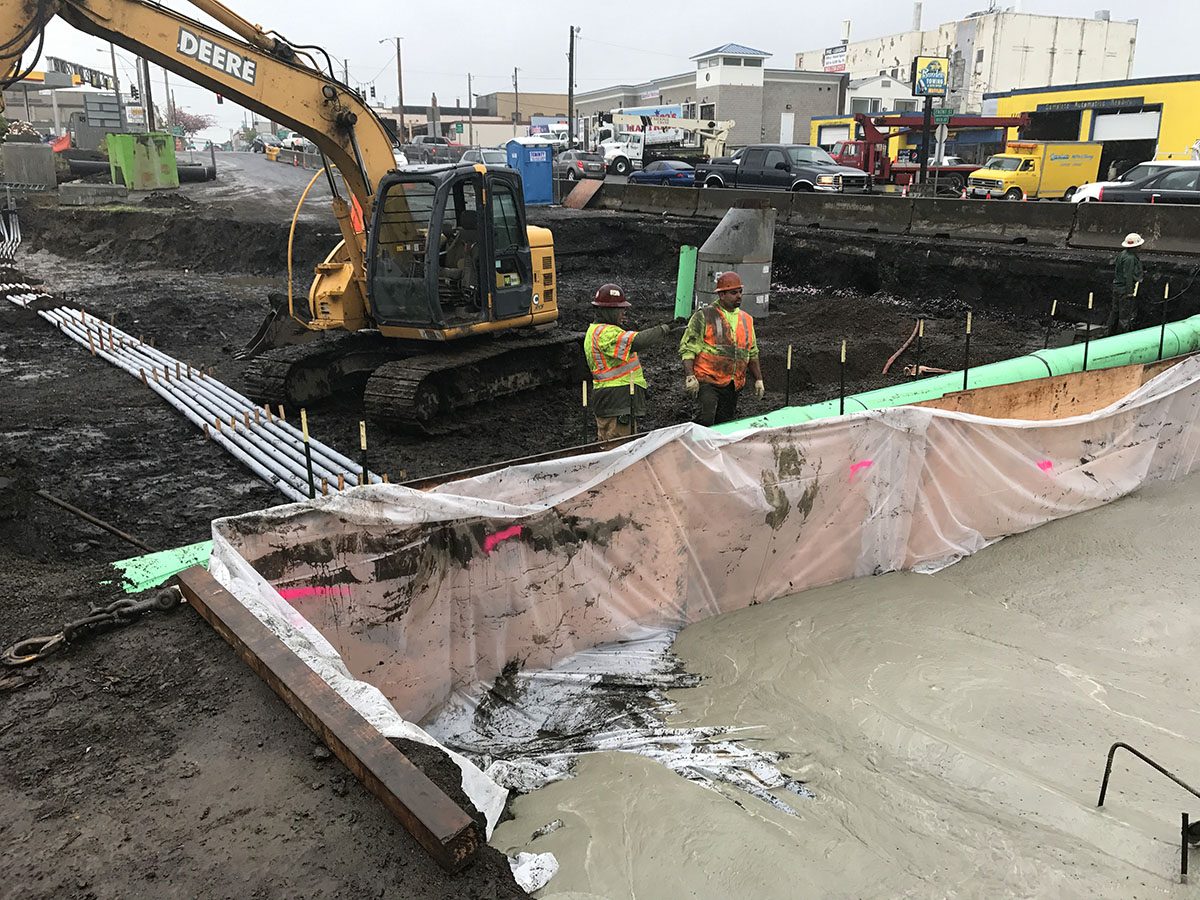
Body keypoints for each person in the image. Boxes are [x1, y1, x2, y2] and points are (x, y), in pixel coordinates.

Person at [583, 283, 678, 441]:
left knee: (610, 445)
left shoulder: (597, 331)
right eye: (620, 309)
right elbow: (637, 341)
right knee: (618, 448)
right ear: (608, 310)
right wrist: (665, 329)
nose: (624, 313)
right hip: (616, 402)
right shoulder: (604, 333)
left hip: (614, 401)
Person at [679, 271, 764, 426]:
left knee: (725, 424)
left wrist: (758, 379)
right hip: (708, 380)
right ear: (722, 295)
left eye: (740, 292)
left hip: (733, 384)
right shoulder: (704, 316)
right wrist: (690, 376)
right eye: (733, 293)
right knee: (706, 419)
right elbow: (688, 348)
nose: (739, 296)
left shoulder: (746, 320)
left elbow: (752, 352)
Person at [1108, 232, 1144, 335]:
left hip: (1117, 287)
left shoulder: (1122, 254)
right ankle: (1123, 336)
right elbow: (1128, 275)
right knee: (1125, 315)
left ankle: (1109, 333)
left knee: (1115, 312)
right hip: (1124, 290)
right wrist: (1129, 292)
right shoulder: (1130, 258)